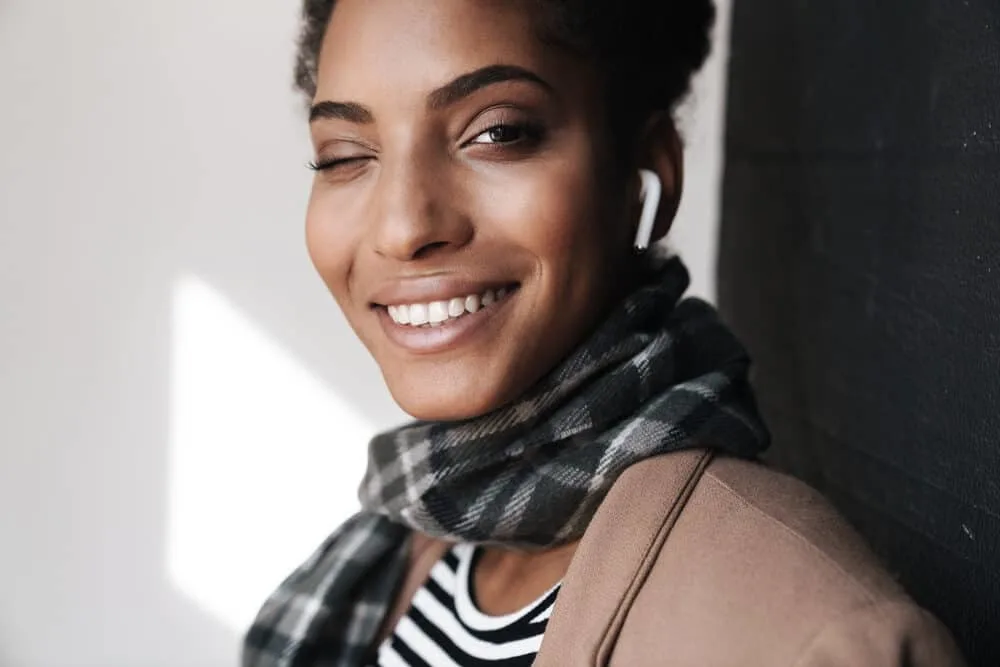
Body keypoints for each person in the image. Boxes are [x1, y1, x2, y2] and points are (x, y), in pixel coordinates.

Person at [242, 1, 967, 665]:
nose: (402, 227)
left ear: (647, 173)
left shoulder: (818, 639)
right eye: (344, 155)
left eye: (497, 133)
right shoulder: (417, 536)